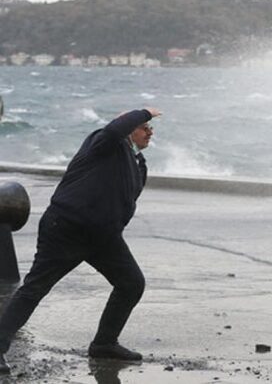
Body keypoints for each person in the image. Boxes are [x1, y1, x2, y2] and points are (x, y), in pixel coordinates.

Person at [0, 108, 161, 374]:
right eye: (144, 126)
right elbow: (113, 129)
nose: (150, 131)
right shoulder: (104, 142)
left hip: (103, 238)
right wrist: (143, 111)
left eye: (150, 127)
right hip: (66, 229)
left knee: (131, 283)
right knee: (35, 289)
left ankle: (104, 343)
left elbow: (125, 200)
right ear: (129, 127)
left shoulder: (137, 163)